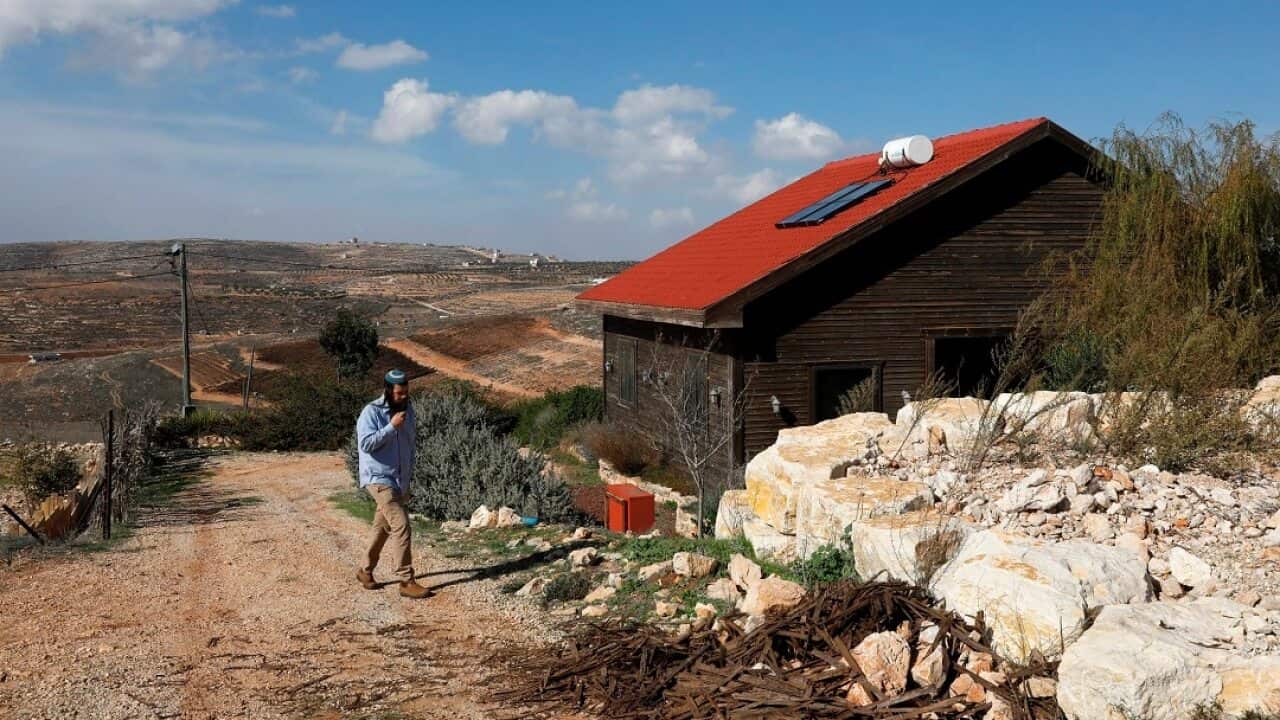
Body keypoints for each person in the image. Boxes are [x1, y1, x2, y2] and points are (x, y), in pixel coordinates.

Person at [354, 369, 431, 599]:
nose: (404, 397)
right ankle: (406, 581)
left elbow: (409, 446)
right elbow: (366, 444)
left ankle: (365, 571)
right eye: (399, 393)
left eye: (406, 393)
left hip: (398, 479)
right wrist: (391, 427)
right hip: (378, 478)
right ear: (388, 391)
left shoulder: (409, 410)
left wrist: (406, 480)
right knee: (401, 524)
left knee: (383, 526)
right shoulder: (372, 412)